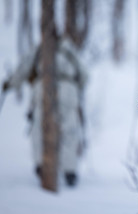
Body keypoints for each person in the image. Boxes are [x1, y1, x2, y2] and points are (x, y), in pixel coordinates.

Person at [2, 37, 87, 187]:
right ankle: (70, 171)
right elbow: (84, 75)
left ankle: (41, 166)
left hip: (43, 87)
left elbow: (23, 69)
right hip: (69, 89)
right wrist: (75, 89)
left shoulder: (39, 49)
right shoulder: (70, 50)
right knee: (69, 131)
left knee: (40, 127)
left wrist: (9, 84)